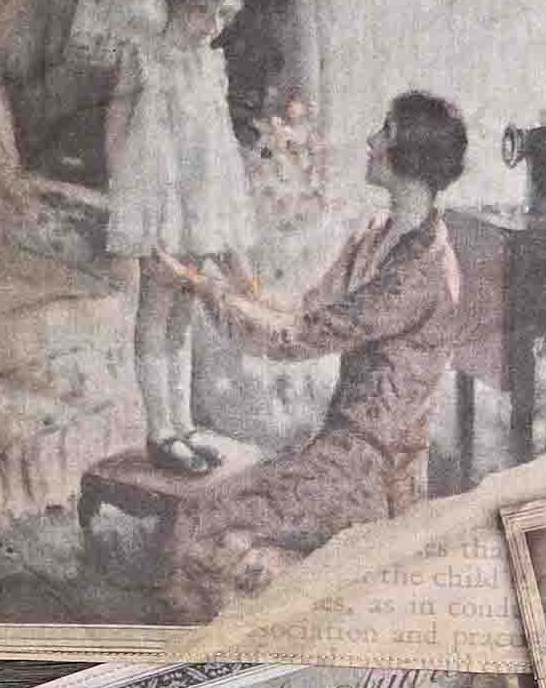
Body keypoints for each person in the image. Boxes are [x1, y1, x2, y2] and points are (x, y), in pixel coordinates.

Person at [157, 89, 465, 620]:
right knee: (206, 527)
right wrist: (235, 273)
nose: (371, 141)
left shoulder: (421, 272)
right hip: (337, 453)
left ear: (410, 156)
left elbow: (292, 339)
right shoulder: (376, 234)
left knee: (203, 528)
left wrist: (197, 287)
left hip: (374, 476)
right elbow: (303, 310)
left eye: (385, 132)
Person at [71, 0, 260, 477]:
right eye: (200, 11)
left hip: (200, 201)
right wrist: (122, 188)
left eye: (218, 13)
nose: (210, 25)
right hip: (160, 199)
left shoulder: (211, 63)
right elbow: (117, 122)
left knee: (184, 313)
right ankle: (159, 430)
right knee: (156, 307)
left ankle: (184, 424)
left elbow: (217, 142)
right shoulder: (144, 54)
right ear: (174, 3)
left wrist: (222, 215)